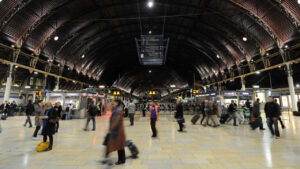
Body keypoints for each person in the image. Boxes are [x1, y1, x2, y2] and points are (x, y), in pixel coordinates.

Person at [103, 99, 126, 165]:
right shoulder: (117, 109)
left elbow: (116, 121)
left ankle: (120, 160)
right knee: (120, 146)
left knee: (119, 145)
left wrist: (111, 129)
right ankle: (122, 159)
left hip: (117, 131)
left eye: (114, 102)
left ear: (117, 103)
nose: (113, 103)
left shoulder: (118, 110)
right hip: (117, 131)